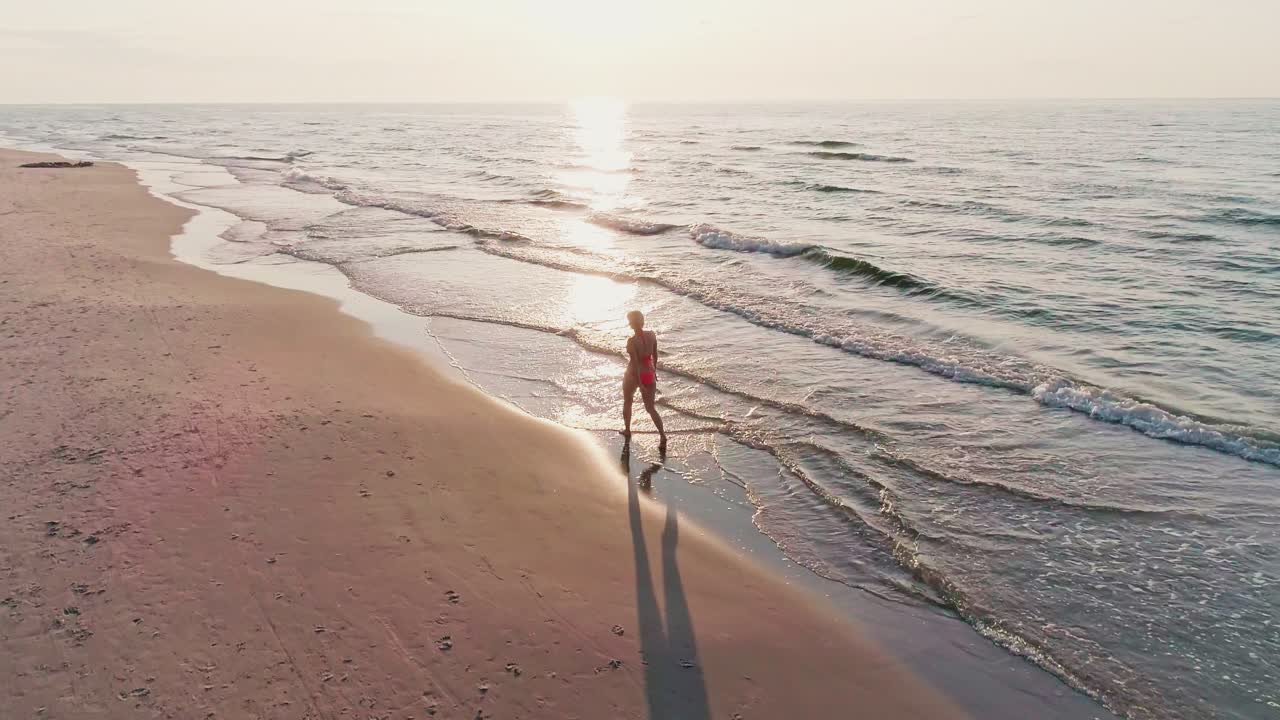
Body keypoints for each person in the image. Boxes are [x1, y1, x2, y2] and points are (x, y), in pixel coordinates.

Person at [622, 310, 666, 447]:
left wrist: (640, 383)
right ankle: (662, 436)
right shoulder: (652, 335)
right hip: (649, 373)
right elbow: (655, 355)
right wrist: (654, 370)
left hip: (633, 375)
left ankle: (627, 430)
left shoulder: (632, 341)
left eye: (629, 321)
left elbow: (635, 363)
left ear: (631, 323)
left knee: (628, 401)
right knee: (650, 408)